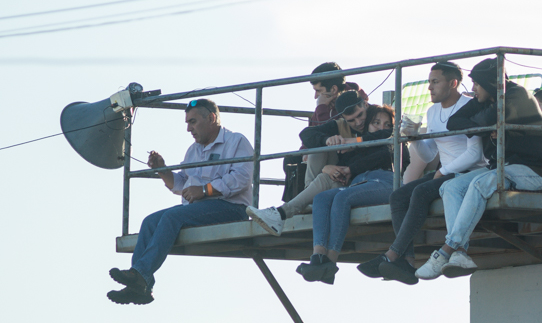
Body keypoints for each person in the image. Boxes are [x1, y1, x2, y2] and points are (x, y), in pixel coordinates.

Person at [414, 58, 542, 280]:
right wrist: (485, 126)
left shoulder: (516, 95)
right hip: (504, 168)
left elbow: (482, 121)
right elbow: (455, 122)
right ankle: (460, 254)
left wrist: (483, 124)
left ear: (490, 83)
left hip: (536, 171)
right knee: (450, 187)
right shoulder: (485, 99)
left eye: (477, 84)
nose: (473, 89)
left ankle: (446, 250)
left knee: (479, 184)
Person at [107, 99, 253, 305]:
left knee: (172, 217)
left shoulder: (236, 141)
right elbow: (182, 185)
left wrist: (205, 190)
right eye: (187, 123)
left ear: (211, 118)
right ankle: (138, 285)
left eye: (193, 122)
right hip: (200, 209)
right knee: (150, 222)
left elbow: (241, 178)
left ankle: (141, 275)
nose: (188, 129)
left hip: (232, 208)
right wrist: (162, 170)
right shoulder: (194, 150)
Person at [358, 62, 485, 285]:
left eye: (435, 82)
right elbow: (429, 154)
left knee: (421, 192)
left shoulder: (470, 106)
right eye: (429, 82)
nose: (429, 87)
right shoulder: (432, 111)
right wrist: (414, 137)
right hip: (445, 171)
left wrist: (443, 171)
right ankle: (407, 261)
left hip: (468, 172)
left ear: (453, 83)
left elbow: (475, 154)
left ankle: (392, 254)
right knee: (398, 197)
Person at [248, 90, 394, 236]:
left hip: (359, 181)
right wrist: (327, 145)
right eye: (351, 120)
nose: (358, 122)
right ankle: (308, 196)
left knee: (324, 176)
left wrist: (355, 142)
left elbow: (389, 135)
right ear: (343, 118)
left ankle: (289, 209)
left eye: (360, 115)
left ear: (365, 105)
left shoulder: (377, 116)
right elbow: (306, 134)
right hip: (341, 175)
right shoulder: (341, 125)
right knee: (319, 145)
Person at [296, 104, 401, 284]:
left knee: (343, 197)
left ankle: (331, 261)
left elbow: (381, 154)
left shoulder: (392, 142)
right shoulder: (355, 146)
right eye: (376, 122)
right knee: (321, 198)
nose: (381, 128)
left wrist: (352, 166)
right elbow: (311, 137)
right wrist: (327, 167)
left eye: (387, 124)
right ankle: (318, 257)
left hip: (384, 182)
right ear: (367, 124)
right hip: (360, 184)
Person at [283, 62, 369, 202]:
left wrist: (321, 108)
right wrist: (304, 151)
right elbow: (313, 132)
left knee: (318, 148)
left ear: (334, 89)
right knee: (291, 159)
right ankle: (296, 200)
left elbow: (330, 131)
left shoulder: (351, 103)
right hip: (327, 153)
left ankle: (306, 199)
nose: (315, 96)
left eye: (318, 90)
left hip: (345, 153)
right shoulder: (326, 102)